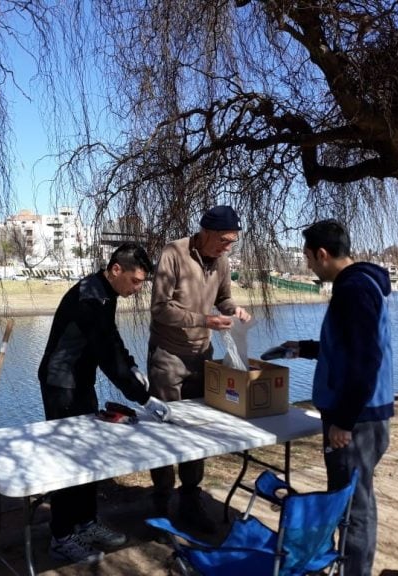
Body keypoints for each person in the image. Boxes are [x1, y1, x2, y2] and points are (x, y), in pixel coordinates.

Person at [38, 242, 172, 564]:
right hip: (61, 385)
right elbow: (106, 356)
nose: (138, 288)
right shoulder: (89, 299)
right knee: (69, 462)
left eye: (142, 282)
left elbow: (112, 339)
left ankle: (85, 522)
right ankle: (62, 536)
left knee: (89, 456)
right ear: (116, 270)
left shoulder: (105, 292)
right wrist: (144, 398)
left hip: (80, 382)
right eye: (136, 281)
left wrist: (133, 365)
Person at [282, 219, 394, 576]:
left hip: (358, 419)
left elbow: (366, 358)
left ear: (322, 254)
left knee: (352, 507)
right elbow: (345, 348)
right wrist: (305, 348)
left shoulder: (355, 289)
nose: (308, 266)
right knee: (350, 497)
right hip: (358, 414)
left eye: (308, 259)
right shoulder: (357, 285)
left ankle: (353, 570)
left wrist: (344, 421)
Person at [148, 205, 251, 533]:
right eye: (224, 240)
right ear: (205, 232)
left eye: (233, 241)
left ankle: (190, 500)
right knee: (164, 431)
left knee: (196, 433)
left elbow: (223, 298)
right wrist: (203, 319)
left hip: (202, 357)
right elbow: (160, 308)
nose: (228, 247)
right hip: (168, 358)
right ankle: (161, 502)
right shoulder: (173, 253)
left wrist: (234, 309)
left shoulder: (221, 261)